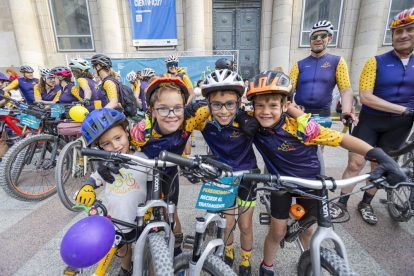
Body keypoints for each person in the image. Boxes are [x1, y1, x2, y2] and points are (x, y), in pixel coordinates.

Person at [240, 71, 406, 276]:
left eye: (273, 105)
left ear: (285, 106)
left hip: (311, 183)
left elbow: (342, 139)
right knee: (277, 232)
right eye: (259, 106)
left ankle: (309, 262)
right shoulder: (253, 124)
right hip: (279, 182)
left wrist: (380, 156)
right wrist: (239, 116)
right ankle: (267, 267)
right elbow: (225, 111)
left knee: (308, 229)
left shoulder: (301, 127)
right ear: (252, 107)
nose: (265, 112)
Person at [330, 7, 414, 225]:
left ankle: (366, 203)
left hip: (399, 126)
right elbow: (366, 97)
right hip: (371, 121)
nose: (403, 35)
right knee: (355, 163)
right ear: (392, 35)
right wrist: (403, 110)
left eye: (410, 30)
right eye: (398, 32)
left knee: (380, 166)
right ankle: (341, 203)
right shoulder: (375, 61)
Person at [76, 108, 150, 276]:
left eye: (118, 138)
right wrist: (88, 187)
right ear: (99, 147)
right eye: (107, 144)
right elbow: (95, 178)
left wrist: (150, 204)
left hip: (141, 217)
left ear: (127, 131)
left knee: (144, 247)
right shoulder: (106, 165)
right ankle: (126, 269)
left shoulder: (143, 159)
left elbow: (153, 182)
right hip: (117, 219)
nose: (116, 146)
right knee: (122, 249)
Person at [129, 74, 191, 259]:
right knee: (138, 209)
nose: (172, 115)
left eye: (177, 108)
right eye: (163, 109)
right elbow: (124, 144)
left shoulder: (189, 121)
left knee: (171, 212)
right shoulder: (142, 130)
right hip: (146, 170)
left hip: (170, 170)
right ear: (152, 111)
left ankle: (177, 251)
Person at [289, 20, 358, 124]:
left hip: (323, 115)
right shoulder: (298, 65)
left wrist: (346, 112)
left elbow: (346, 90)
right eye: (314, 37)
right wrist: (294, 108)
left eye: (322, 36)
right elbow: (288, 91)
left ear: (330, 39)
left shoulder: (338, 62)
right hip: (300, 114)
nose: (318, 39)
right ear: (309, 41)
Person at [0, 72, 12, 158]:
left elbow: (9, 105)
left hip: (1, 119)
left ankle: (6, 161)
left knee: (2, 140)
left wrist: (11, 106)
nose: (1, 84)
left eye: (2, 82)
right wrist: (5, 101)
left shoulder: (3, 92)